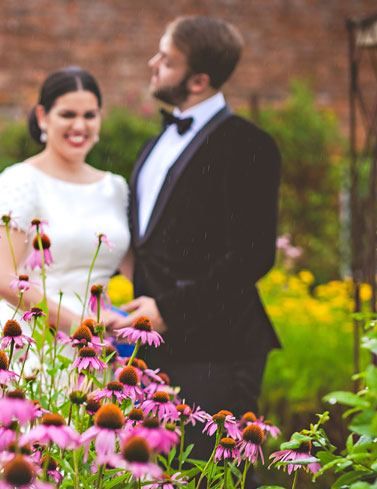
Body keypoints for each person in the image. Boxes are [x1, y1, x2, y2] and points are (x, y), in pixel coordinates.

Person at [116, 16, 282, 459]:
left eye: (166, 60)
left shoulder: (248, 144)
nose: (153, 64)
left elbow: (253, 255)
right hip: (153, 350)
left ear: (199, 79)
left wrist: (169, 309)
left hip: (218, 351)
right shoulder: (154, 146)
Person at [0, 67, 130, 337]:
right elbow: (0, 277)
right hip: (30, 339)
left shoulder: (116, 188)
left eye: (89, 115)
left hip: (94, 345)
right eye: (67, 115)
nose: (79, 126)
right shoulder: (21, 180)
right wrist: (78, 324)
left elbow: (136, 271)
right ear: (42, 117)